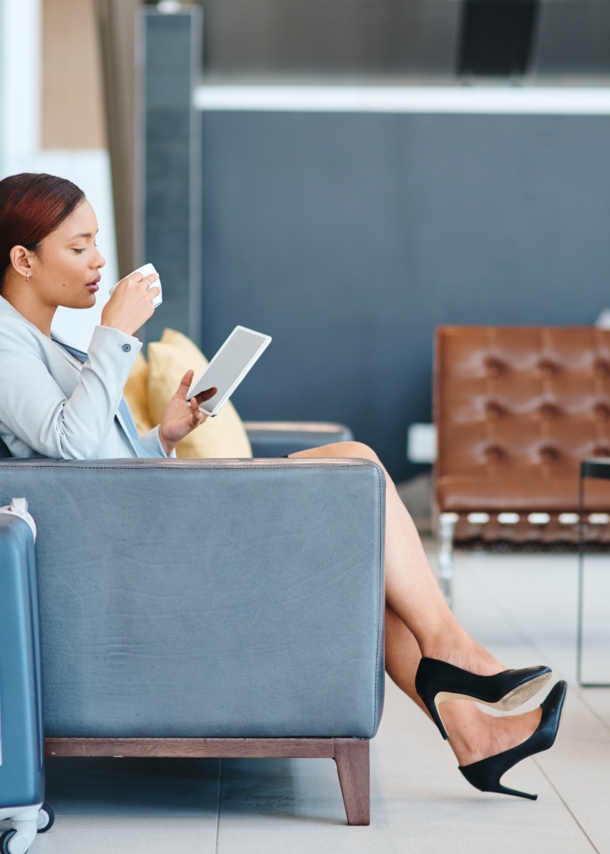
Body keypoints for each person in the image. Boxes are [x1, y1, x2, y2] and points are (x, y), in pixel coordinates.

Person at [0, 173, 566, 801]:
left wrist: (162, 435)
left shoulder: (44, 342)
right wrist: (115, 334)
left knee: (361, 547)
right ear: (23, 259)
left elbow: (88, 461)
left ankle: (475, 735)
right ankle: (456, 653)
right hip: (133, 553)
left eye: (96, 243)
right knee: (354, 463)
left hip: (140, 525)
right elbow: (71, 449)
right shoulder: (4, 346)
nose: (100, 261)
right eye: (78, 247)